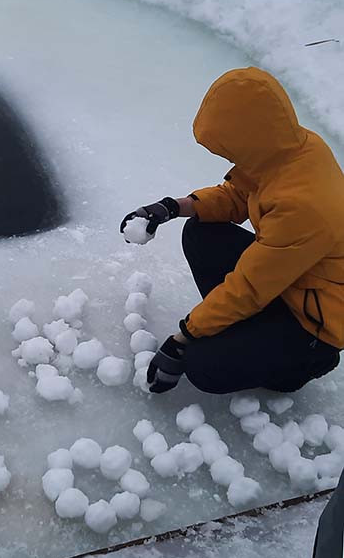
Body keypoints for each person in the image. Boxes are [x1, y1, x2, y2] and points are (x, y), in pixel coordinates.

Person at [121, 67, 344, 395]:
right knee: (200, 230)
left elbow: (249, 287)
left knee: (202, 365)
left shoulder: (302, 205)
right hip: (288, 278)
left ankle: (305, 363)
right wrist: (171, 207)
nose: (229, 157)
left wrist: (182, 338)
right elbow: (238, 195)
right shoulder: (292, 149)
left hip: (315, 320)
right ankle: (242, 329)